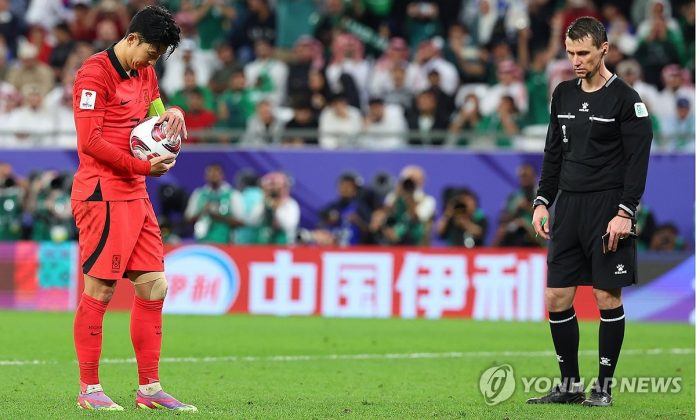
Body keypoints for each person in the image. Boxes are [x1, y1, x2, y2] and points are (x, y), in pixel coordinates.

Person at [70, 6, 196, 411]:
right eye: (150, 52)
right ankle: (89, 390)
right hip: (102, 194)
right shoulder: (94, 75)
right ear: (132, 39)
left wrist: (173, 113)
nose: (150, 61)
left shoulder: (146, 73)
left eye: (157, 57)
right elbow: (90, 142)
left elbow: (157, 114)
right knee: (100, 290)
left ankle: (150, 390)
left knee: (155, 286)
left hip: (135, 193)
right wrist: (142, 167)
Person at [527, 17, 652, 407]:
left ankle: (604, 388)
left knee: (605, 296)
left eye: (583, 53)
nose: (575, 60)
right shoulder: (562, 94)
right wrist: (542, 201)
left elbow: (637, 162)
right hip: (568, 206)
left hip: (607, 208)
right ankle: (569, 387)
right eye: (570, 53)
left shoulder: (626, 100)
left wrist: (625, 212)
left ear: (604, 50)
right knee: (556, 296)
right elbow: (553, 154)